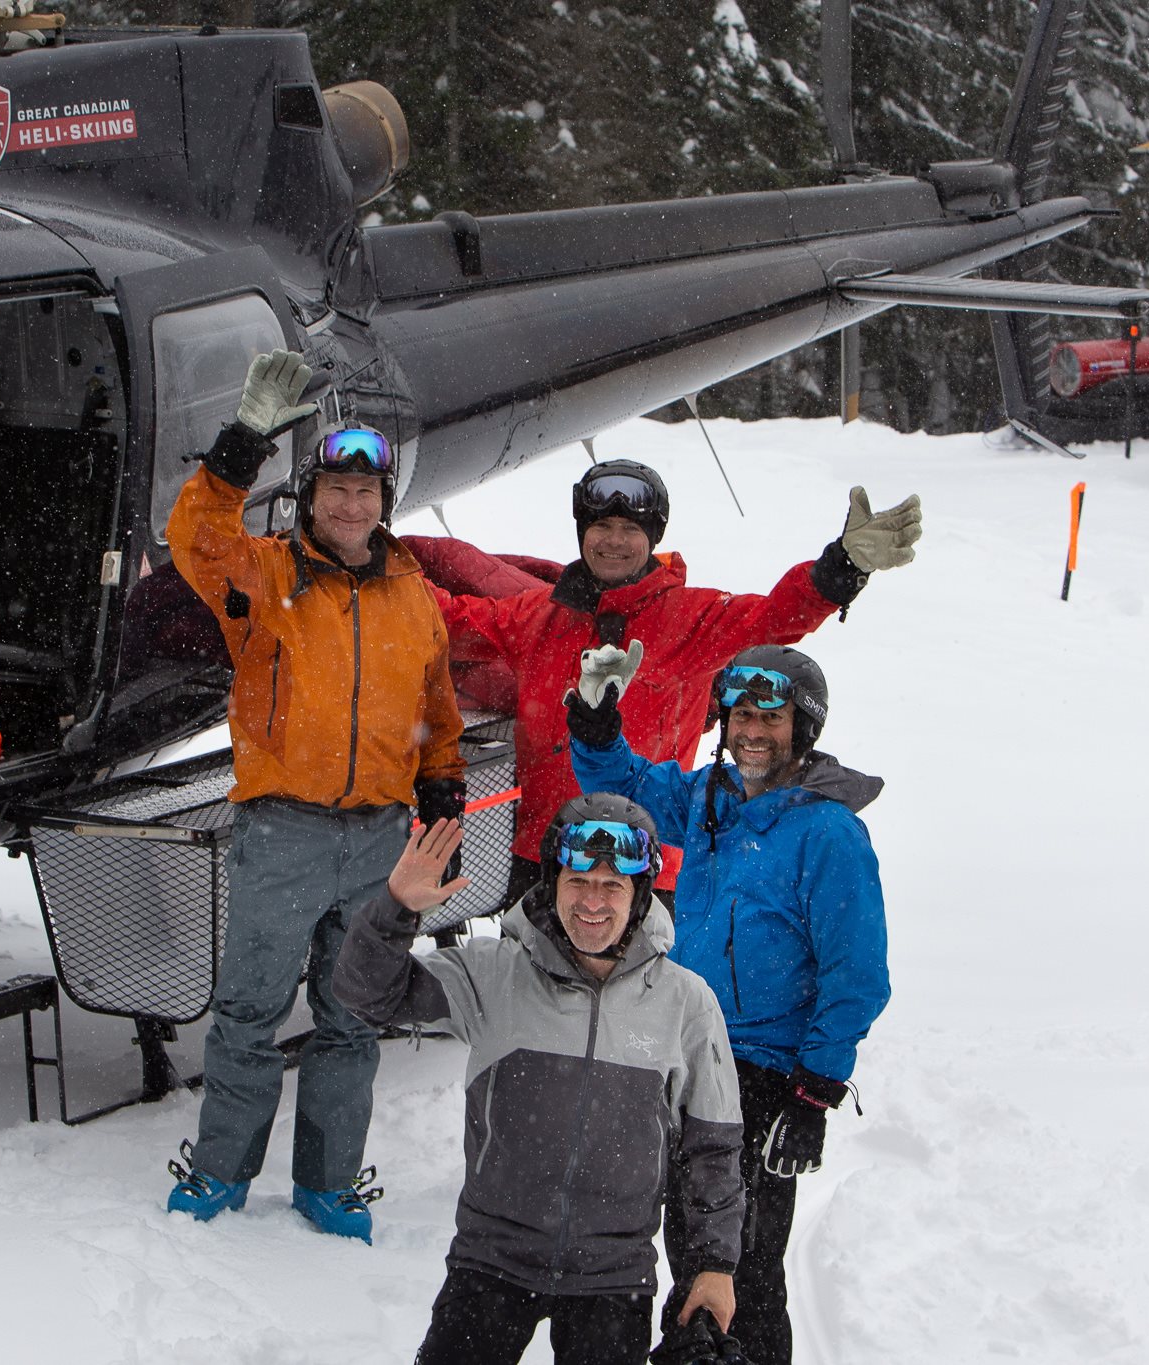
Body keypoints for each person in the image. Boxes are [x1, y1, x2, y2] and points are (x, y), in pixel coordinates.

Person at [162, 350, 466, 1244]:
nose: (351, 505)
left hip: (379, 837)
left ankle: (329, 1182)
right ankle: (220, 1170)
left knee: (352, 1015)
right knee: (251, 1010)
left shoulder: (414, 596)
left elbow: (436, 707)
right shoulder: (264, 575)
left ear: (385, 504)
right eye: (335, 487)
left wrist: (441, 780)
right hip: (283, 830)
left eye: (367, 493)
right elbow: (195, 536)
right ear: (310, 497)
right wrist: (242, 441)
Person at [333, 796, 745, 1365]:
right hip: (491, 1259)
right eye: (578, 880)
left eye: (613, 885)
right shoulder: (492, 973)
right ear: (553, 882)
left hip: (613, 1276)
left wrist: (713, 1265)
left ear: (641, 894)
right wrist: (396, 908)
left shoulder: (686, 1003)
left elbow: (713, 1148)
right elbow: (364, 995)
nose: (592, 902)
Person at [569, 645, 891, 1365]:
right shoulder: (713, 799)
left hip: (764, 1076)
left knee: (742, 1265)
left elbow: (857, 973)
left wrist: (813, 1092)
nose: (752, 730)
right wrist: (594, 720)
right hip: (683, 1057)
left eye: (770, 717)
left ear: (801, 726)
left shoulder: (828, 832)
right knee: (689, 1247)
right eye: (741, 713)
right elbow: (628, 785)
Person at [414, 459, 920, 910]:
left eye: (630, 529)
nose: (614, 541)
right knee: (531, 1006)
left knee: (639, 1013)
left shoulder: (689, 616)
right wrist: (374, 566)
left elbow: (772, 619)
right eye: (602, 526)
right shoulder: (538, 617)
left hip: (646, 863)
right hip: (547, 855)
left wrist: (839, 570)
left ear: (652, 539)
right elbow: (450, 621)